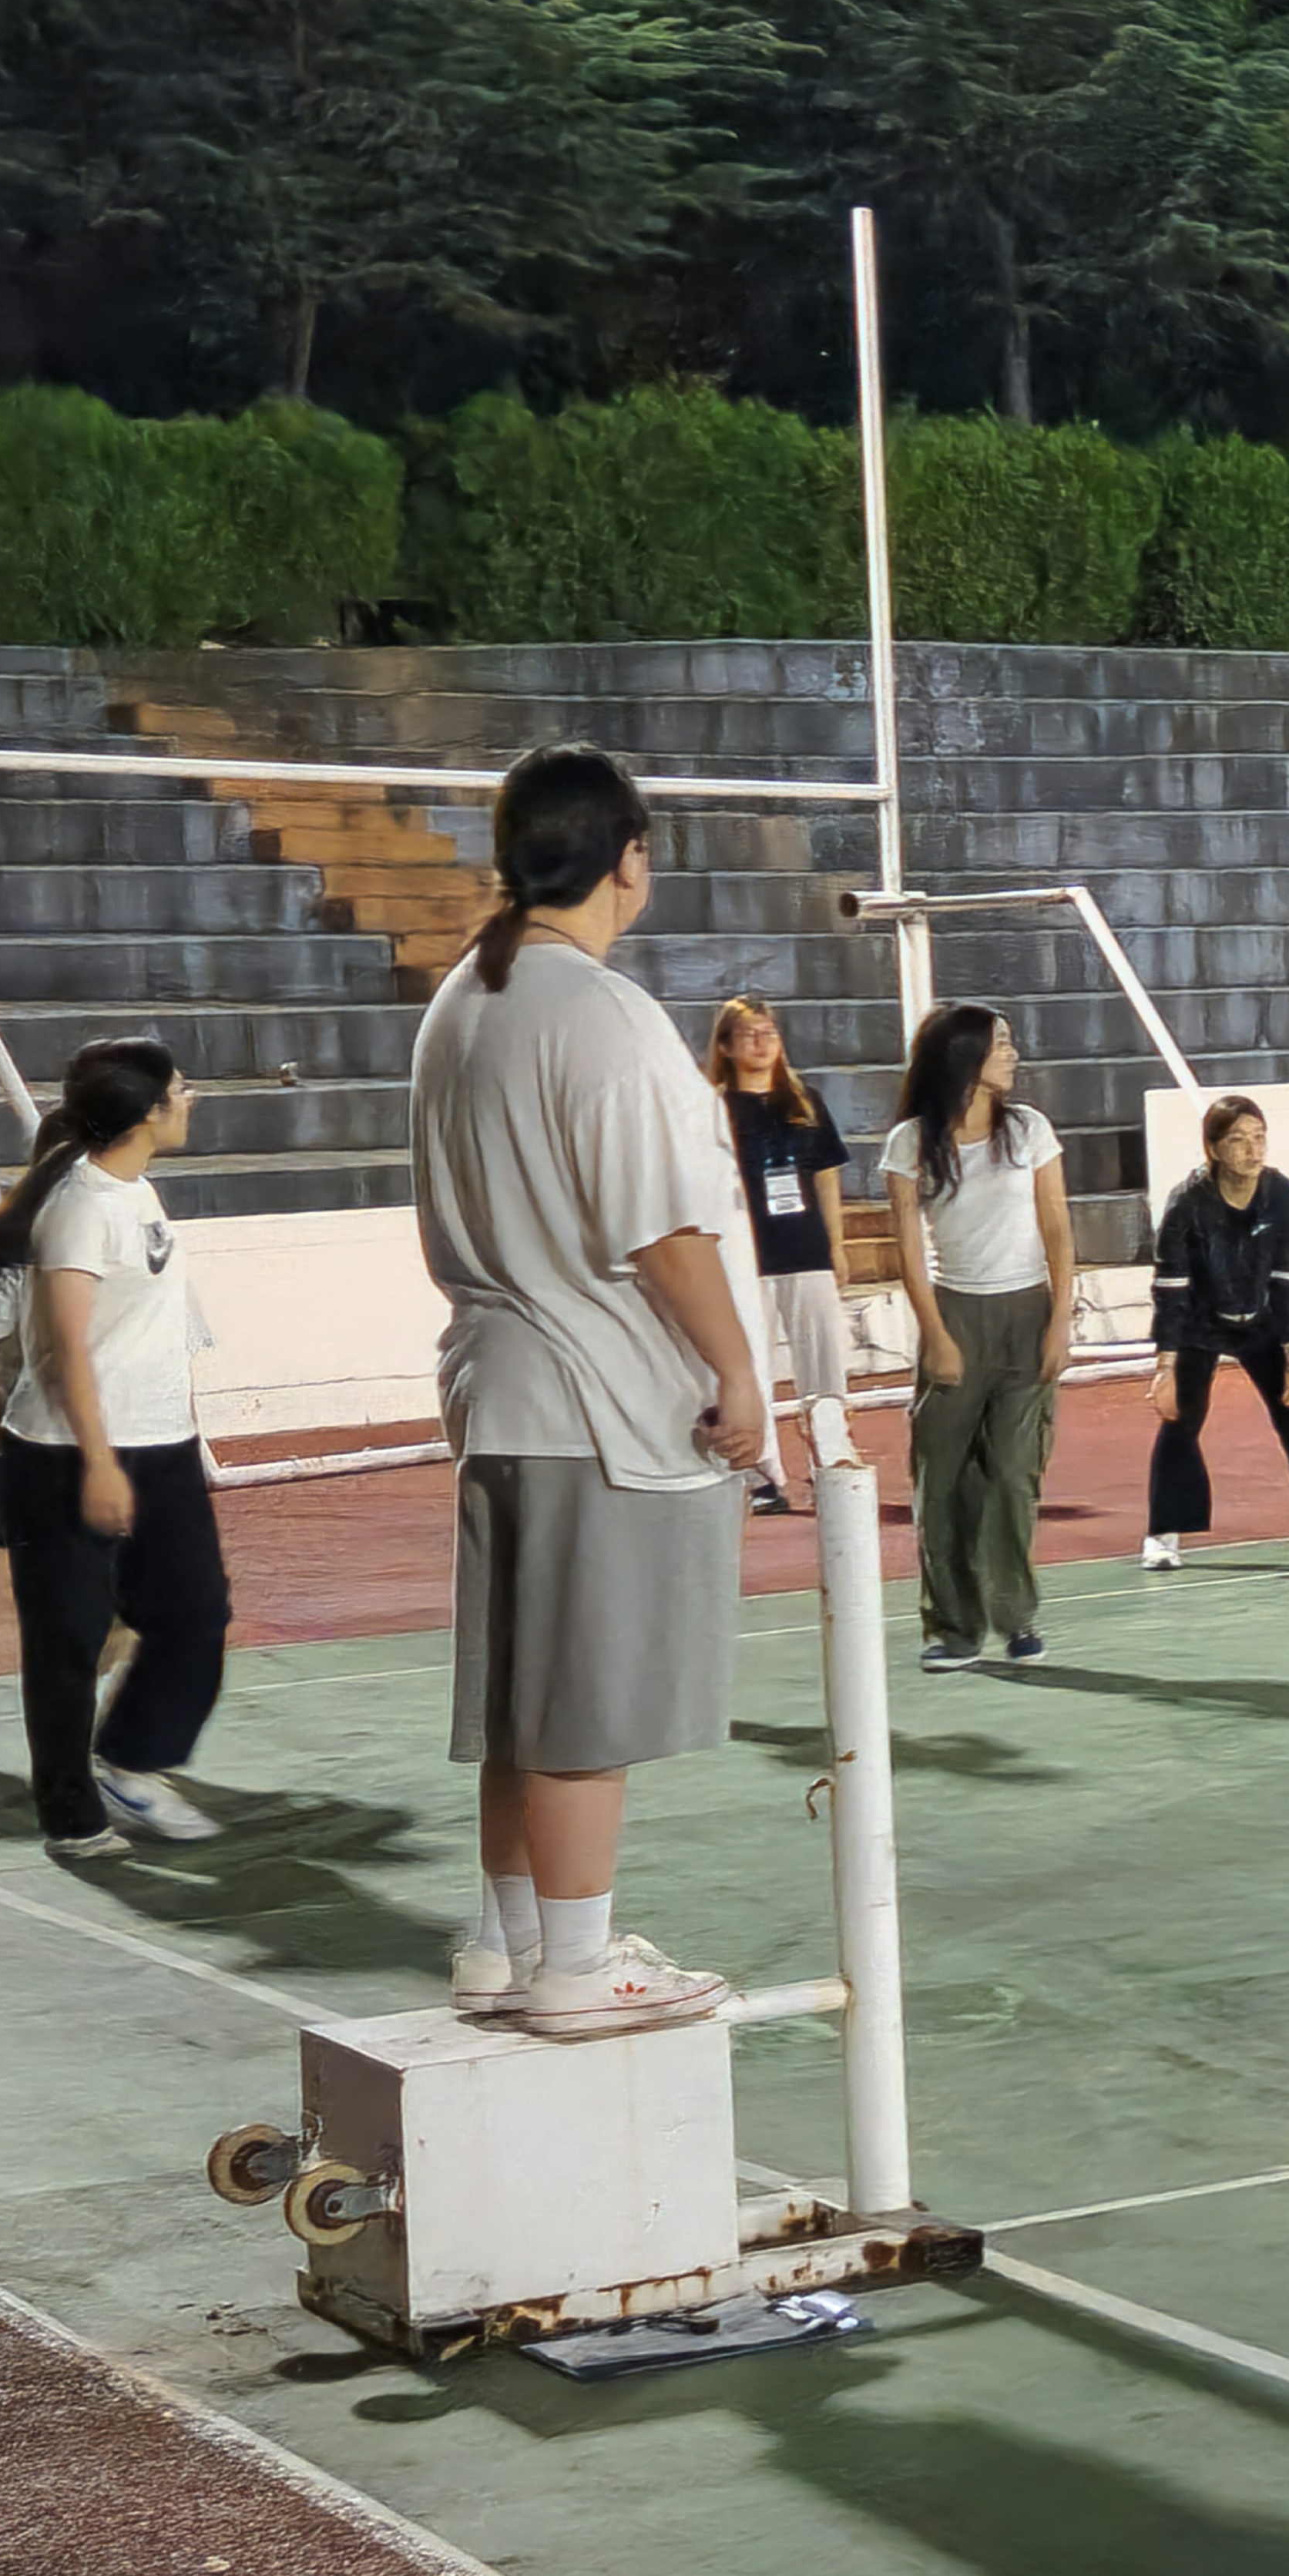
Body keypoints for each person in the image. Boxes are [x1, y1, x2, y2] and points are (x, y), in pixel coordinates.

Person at [415, 746, 769, 2035]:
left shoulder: (464, 997)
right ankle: (576, 1962)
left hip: (503, 1390)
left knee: (523, 1697)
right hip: (595, 1401)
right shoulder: (598, 1012)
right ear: (629, 859)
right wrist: (739, 1370)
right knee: (583, 1701)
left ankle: (512, 1943)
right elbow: (660, 1229)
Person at [0, 1039, 230, 1863]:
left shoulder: (136, 1190)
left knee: (195, 1612)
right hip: (69, 1453)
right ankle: (70, 1815)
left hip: (163, 1445)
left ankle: (132, 1758)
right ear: (146, 1111)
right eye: (181, 1089)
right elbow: (66, 1350)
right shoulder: (80, 1207)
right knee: (68, 1643)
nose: (191, 1099)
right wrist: (101, 1461)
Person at [885, 1003, 1075, 1668]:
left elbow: (1057, 1227)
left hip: (1027, 1312)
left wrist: (1060, 1320)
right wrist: (935, 1333)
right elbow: (909, 1248)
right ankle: (954, 1629)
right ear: (963, 1055)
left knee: (1014, 1475)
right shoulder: (912, 1141)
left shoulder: (1029, 1130)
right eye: (1000, 1044)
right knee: (942, 1480)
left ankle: (1016, 1616)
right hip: (955, 1313)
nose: (1012, 1054)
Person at [1144, 1093, 1289, 1568]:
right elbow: (1171, 1288)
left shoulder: (1282, 1196)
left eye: (1259, 1138)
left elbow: (1285, 1277)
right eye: (1239, 1140)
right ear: (1214, 1148)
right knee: (1181, 1420)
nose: (1252, 1150)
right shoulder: (1187, 1203)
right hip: (1199, 1322)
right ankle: (1163, 1534)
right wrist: (1166, 1367)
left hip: (1261, 1320)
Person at [707, 994, 853, 1514]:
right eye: (748, 1034)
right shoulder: (713, 1108)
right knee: (752, 1365)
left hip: (805, 1249)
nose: (761, 1042)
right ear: (725, 1046)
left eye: (769, 1032)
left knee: (824, 1358)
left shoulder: (804, 1101)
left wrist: (836, 1244)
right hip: (746, 1258)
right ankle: (761, 1474)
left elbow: (826, 1175)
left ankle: (832, 1455)